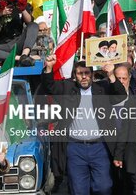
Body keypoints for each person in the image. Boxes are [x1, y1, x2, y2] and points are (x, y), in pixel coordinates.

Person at [42, 56, 127, 195]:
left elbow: (120, 95)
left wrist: (111, 74)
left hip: (99, 147)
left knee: (103, 187)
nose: (84, 77)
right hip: (75, 149)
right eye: (80, 73)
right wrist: (49, 67)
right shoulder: (67, 88)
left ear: (92, 75)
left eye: (87, 73)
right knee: (79, 190)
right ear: (75, 76)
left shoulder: (102, 88)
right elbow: (49, 86)